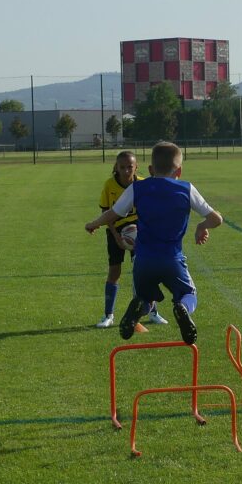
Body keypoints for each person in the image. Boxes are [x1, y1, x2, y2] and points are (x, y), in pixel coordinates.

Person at [85, 142, 222, 345]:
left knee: (145, 298)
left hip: (143, 260)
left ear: (150, 170)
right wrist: (202, 226)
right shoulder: (186, 188)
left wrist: (94, 224)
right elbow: (216, 219)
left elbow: (113, 213)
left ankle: (139, 305)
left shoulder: (137, 187)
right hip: (172, 259)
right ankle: (183, 307)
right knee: (188, 293)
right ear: (180, 171)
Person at [94, 151, 168, 329]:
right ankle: (108, 315)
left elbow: (152, 210)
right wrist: (117, 237)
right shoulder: (110, 185)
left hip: (140, 231)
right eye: (122, 167)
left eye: (130, 167)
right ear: (116, 168)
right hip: (116, 231)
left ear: (136, 167)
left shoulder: (143, 184)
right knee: (114, 272)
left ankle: (153, 312)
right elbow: (106, 213)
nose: (126, 171)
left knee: (143, 272)